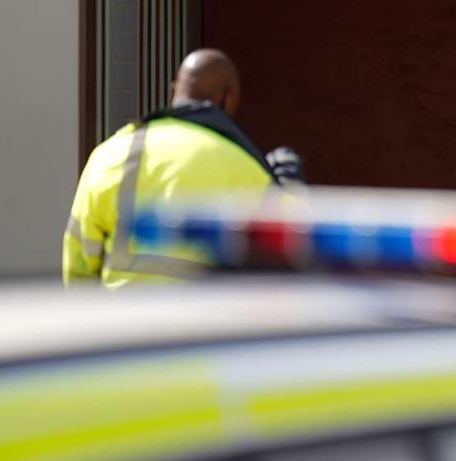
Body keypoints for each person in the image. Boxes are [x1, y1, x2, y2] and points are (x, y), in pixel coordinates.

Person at [63, 49, 296, 287]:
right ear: (228, 99)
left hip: (123, 319)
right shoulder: (248, 167)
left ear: (174, 90)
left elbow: (78, 261)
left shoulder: (110, 154)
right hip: (207, 321)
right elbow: (291, 257)